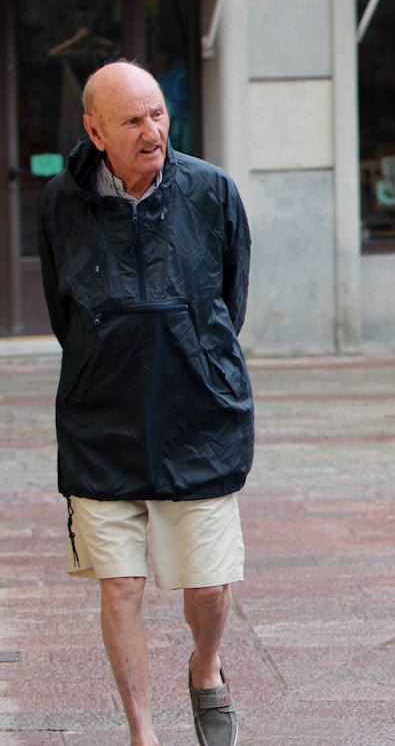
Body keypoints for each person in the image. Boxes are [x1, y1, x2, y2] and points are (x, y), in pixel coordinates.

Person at [36, 60, 252, 746]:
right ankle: (142, 731)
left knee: (209, 586)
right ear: (95, 131)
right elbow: (61, 309)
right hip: (101, 420)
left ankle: (206, 664)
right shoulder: (58, 202)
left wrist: (190, 349)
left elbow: (228, 298)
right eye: (132, 120)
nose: (152, 130)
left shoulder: (212, 191)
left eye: (157, 113)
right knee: (119, 584)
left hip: (198, 413)